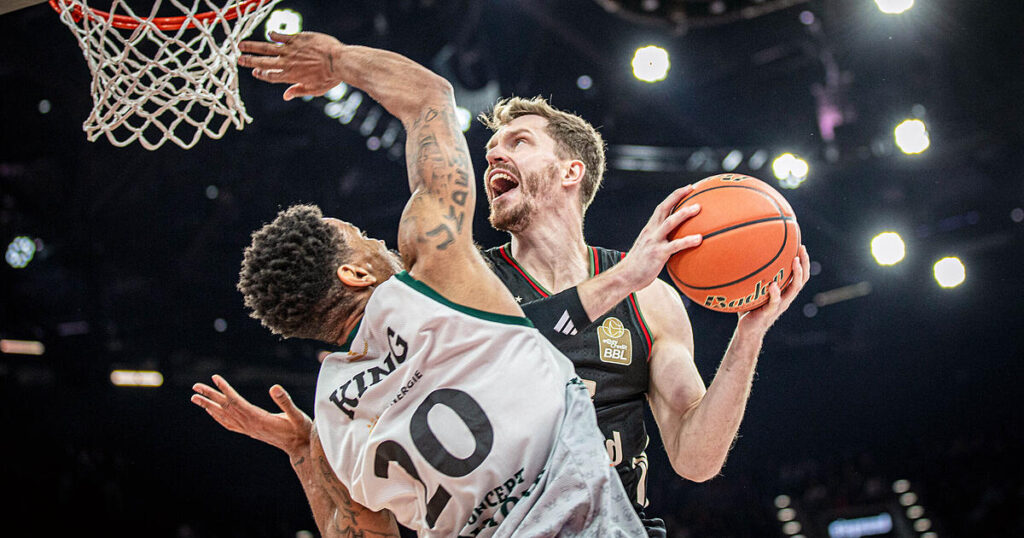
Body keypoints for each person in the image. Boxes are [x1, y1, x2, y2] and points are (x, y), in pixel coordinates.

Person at [192, 31, 656, 537]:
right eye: (362, 237)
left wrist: (304, 453)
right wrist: (335, 58)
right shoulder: (436, 280)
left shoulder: (332, 422)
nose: (377, 240)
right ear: (354, 274)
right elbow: (430, 96)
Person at [476, 97, 810, 534]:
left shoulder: (650, 298)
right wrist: (624, 277)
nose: (493, 156)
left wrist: (749, 335)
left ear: (570, 172)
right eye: (492, 149)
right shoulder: (470, 280)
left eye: (518, 142)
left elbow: (696, 459)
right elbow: (500, 352)